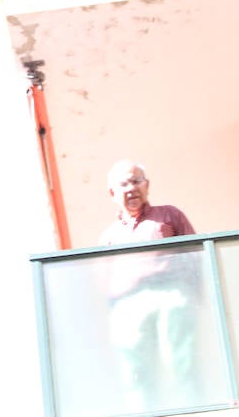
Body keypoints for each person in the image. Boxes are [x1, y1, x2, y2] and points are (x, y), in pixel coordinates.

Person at [100, 160, 199, 413]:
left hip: (171, 292)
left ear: (147, 185)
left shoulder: (169, 215)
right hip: (128, 303)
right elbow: (105, 278)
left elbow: (194, 253)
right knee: (135, 370)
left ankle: (194, 411)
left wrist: (194, 293)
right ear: (113, 193)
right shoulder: (109, 236)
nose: (131, 188)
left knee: (179, 361)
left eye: (136, 181)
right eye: (123, 184)